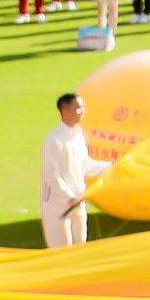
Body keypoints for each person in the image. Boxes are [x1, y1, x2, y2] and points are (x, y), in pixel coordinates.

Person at [38, 93, 103, 249]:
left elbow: (85, 165)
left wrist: (112, 166)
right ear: (65, 110)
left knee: (80, 247)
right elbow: (52, 176)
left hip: (78, 202)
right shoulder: (54, 140)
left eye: (82, 107)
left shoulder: (79, 136)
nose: (82, 111)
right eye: (77, 108)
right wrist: (69, 196)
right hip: (57, 206)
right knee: (61, 250)